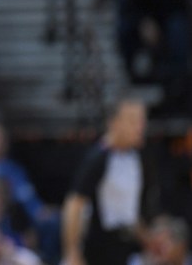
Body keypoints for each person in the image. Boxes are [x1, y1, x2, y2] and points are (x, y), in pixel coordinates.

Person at [62, 97, 157, 265]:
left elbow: (128, 212)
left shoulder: (137, 158)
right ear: (114, 123)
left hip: (128, 247)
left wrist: (148, 239)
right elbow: (74, 204)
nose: (140, 127)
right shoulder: (98, 158)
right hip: (99, 248)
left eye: (142, 120)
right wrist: (72, 253)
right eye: (133, 121)